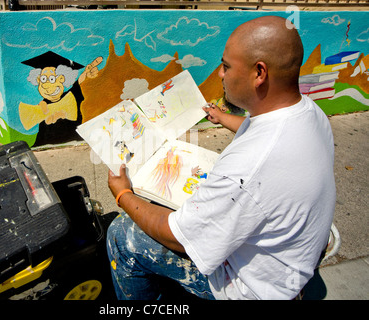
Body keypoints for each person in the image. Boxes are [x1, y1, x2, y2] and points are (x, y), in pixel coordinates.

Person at [106, 16, 336, 300]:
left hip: (251, 289)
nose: (220, 74)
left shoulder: (248, 168)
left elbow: (178, 236)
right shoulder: (310, 113)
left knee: (121, 234)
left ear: (259, 73)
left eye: (226, 66)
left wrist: (123, 194)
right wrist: (222, 117)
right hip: (294, 260)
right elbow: (260, 132)